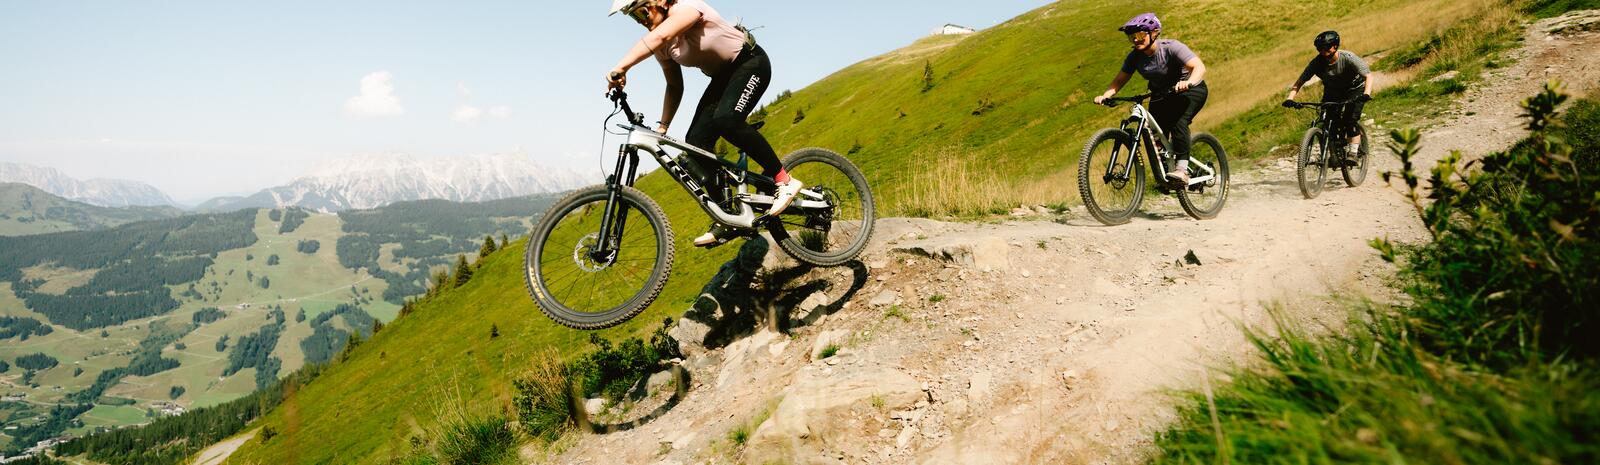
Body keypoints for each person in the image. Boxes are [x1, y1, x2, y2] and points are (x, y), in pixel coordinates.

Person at [605, 0, 801, 247]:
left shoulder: (686, 9)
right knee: (696, 143)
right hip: (723, 79)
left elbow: (661, 34)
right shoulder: (661, 45)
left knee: (727, 120)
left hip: (750, 63)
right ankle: (728, 217)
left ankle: (784, 179)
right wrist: (663, 127)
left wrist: (622, 66)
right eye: (635, 18)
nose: (642, 21)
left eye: (642, 12)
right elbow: (674, 86)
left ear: (659, 2)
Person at [1092, 12, 1209, 186]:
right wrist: (1106, 94)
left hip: (1190, 90)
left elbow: (1198, 66)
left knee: (1178, 122)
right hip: (1162, 93)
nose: (1135, 40)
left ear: (1154, 33)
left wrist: (1188, 82)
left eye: (1139, 35)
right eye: (1132, 37)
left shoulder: (1171, 47)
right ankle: (1165, 174)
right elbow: (1120, 80)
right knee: (1152, 132)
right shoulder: (1134, 57)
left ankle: (1182, 170)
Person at [1283, 30, 1373, 163]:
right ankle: (1333, 154)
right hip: (1333, 91)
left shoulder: (1348, 57)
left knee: (1350, 119)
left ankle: (1353, 152)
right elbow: (1300, 82)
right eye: (1320, 48)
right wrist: (1290, 98)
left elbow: (1368, 75)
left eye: (1326, 48)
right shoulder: (1317, 62)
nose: (1323, 51)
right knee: (1328, 122)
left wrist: (1366, 93)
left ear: (1335, 46)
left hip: (1354, 89)